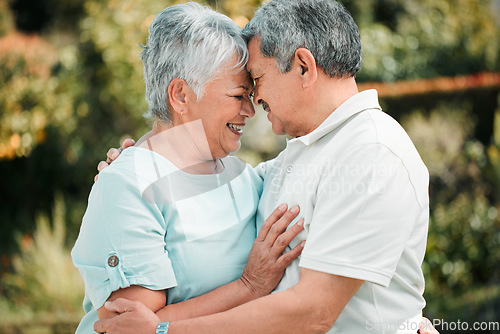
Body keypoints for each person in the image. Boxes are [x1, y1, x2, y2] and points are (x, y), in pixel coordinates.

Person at [95, 0, 438, 333]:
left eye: (257, 79)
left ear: (303, 67)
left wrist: (163, 331)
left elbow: (312, 313)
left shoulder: (371, 154)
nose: (255, 101)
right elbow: (195, 173)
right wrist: (138, 160)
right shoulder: (296, 158)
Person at [71, 3, 305, 334]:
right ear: (181, 95)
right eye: (239, 95)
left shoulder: (244, 178)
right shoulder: (127, 185)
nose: (250, 110)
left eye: (250, 95)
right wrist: (249, 286)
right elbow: (129, 325)